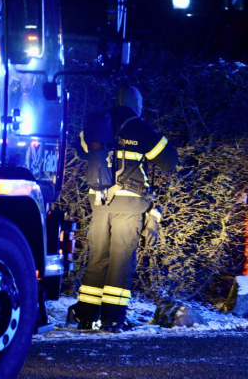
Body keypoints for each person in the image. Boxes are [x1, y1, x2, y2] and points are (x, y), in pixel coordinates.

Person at [68, 86, 178, 332]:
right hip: (129, 204)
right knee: (121, 260)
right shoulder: (140, 127)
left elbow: (79, 149)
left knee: (97, 258)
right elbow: (170, 159)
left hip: (99, 202)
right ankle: (113, 319)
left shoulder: (99, 125)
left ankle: (86, 316)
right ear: (137, 104)